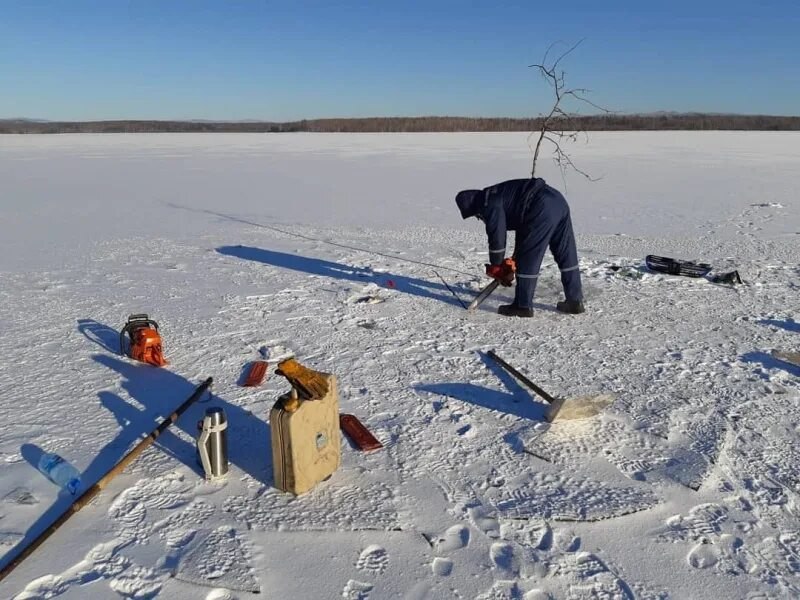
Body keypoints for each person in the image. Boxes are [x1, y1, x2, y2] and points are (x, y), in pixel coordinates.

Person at [455, 177, 584, 317]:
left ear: (474, 207)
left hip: (540, 205)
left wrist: (497, 266)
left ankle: (522, 306)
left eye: (476, 215)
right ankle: (574, 301)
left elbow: (497, 236)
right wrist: (514, 258)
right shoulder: (497, 194)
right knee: (566, 253)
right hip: (558, 201)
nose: (479, 218)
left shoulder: (487, 203)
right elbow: (523, 228)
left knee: (528, 259)